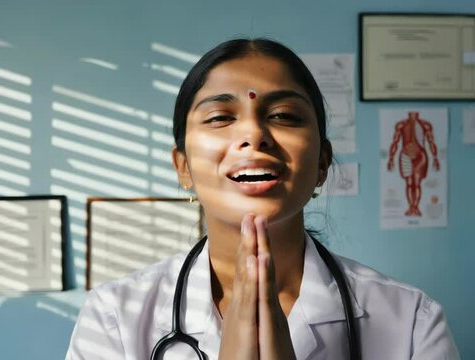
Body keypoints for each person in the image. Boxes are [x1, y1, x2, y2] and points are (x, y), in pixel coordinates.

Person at [66, 38, 460, 359]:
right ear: (182, 166)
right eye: (220, 117)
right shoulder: (114, 318)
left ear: (322, 163)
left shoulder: (412, 323)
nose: (254, 134)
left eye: (285, 115)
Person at [387, 111, 440, 217]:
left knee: (417, 183)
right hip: (406, 155)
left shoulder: (425, 125)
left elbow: (431, 141)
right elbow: (395, 141)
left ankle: (415, 207)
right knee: (409, 183)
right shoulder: (401, 124)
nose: (413, 114)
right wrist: (391, 158)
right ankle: (411, 207)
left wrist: (435, 158)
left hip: (420, 156)